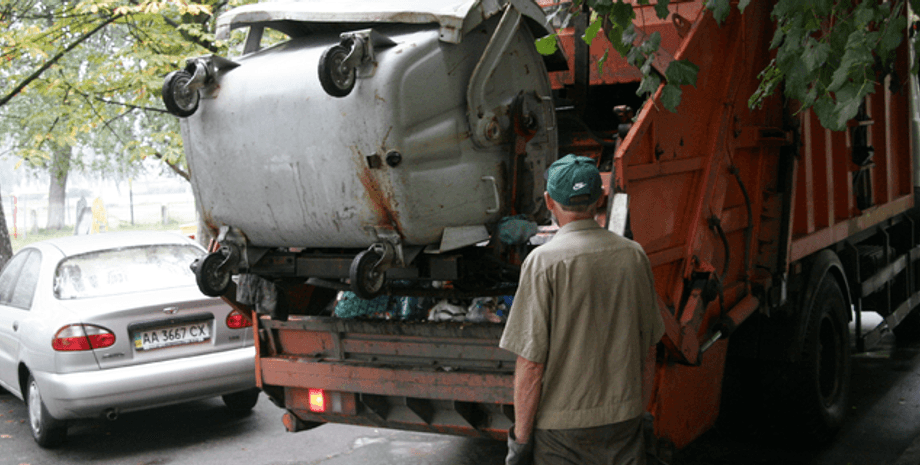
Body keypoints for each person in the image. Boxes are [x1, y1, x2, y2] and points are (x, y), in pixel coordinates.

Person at [500, 154, 665, 465]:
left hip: (561, 435)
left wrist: (520, 443)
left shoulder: (542, 263)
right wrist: (636, 414)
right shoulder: (634, 255)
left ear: (549, 201)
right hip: (623, 424)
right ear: (601, 197)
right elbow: (650, 349)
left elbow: (531, 366)